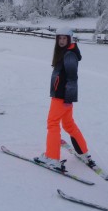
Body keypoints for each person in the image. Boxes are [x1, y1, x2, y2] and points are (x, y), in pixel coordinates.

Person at [34, 27, 94, 172]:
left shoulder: (69, 54)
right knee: (68, 124)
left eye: (64, 38)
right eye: (59, 38)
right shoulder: (68, 52)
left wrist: (67, 98)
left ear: (69, 39)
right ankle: (83, 152)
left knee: (53, 123)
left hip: (62, 97)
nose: (61, 41)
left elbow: (73, 78)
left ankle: (52, 157)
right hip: (65, 97)